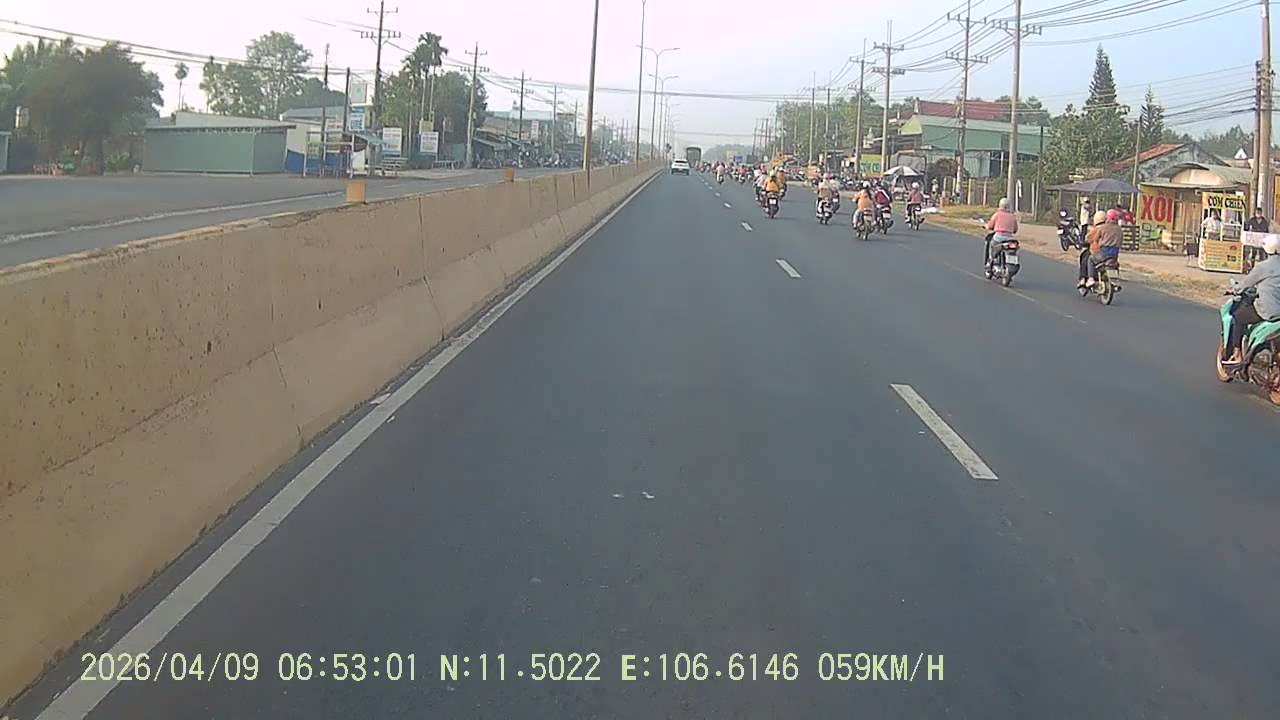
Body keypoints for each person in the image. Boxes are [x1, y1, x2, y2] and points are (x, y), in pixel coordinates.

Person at [1224, 235, 1280, 362]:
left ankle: (1237, 353)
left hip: (1268, 312)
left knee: (1238, 317)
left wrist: (1234, 290)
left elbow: (1245, 284)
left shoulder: (1262, 267)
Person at [1078, 210, 1122, 288]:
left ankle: (1090, 279)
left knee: (1090, 260)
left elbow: (1093, 239)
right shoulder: (1119, 230)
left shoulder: (1102, 228)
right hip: (1115, 255)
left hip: (1103, 253)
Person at [985, 197, 1019, 267]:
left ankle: (991, 260)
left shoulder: (997, 215)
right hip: (1010, 238)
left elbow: (990, 226)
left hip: (999, 237)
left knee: (992, 245)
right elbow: (1015, 229)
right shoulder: (1012, 216)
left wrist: (986, 226)